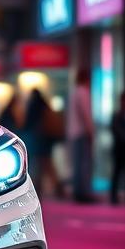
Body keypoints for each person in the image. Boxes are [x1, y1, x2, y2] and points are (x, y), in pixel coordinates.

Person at [22, 87, 64, 199]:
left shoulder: (33, 106)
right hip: (47, 140)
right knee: (47, 165)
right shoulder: (45, 105)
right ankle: (58, 188)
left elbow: (27, 123)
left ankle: (39, 188)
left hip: (38, 141)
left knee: (40, 166)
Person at [67, 67, 95, 204]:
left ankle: (78, 192)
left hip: (73, 132)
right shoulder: (83, 92)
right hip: (81, 132)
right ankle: (84, 193)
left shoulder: (74, 92)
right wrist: (91, 131)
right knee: (84, 163)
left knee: (78, 164)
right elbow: (85, 114)